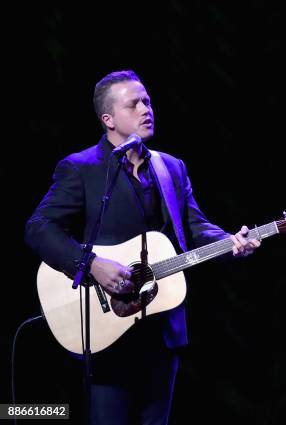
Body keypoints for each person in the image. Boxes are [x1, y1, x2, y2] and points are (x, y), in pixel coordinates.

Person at [25, 69, 261, 424]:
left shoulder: (171, 168)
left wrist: (229, 243)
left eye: (147, 101)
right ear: (108, 119)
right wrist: (90, 263)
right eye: (133, 104)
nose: (145, 109)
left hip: (162, 331)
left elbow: (194, 228)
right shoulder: (81, 168)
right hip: (108, 332)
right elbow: (39, 228)